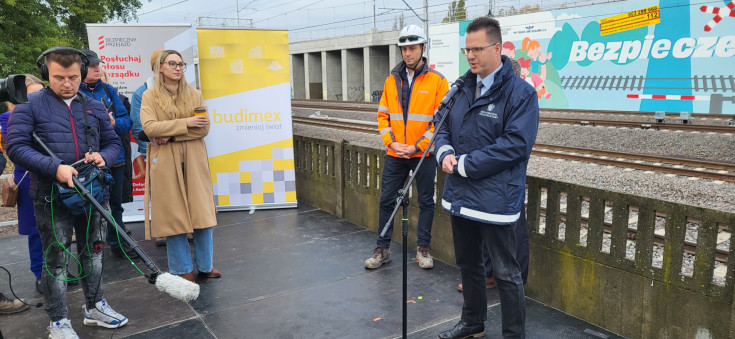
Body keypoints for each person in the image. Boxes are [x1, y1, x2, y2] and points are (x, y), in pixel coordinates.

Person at [7, 47, 126, 338]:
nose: (67, 83)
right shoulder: (29, 104)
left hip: (93, 191)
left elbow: (114, 143)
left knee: (94, 254)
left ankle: (95, 306)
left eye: (73, 76)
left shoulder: (94, 105)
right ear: (46, 72)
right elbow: (16, 147)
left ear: (82, 73)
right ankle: (58, 321)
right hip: (50, 195)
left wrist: (104, 157)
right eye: (58, 77)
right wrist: (54, 166)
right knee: (56, 260)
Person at [434, 17, 539, 339]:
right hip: (461, 196)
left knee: (507, 273)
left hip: (495, 200)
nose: (471, 56)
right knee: (469, 265)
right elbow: (441, 123)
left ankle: (513, 334)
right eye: (467, 50)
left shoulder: (520, 94)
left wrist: (464, 164)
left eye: (477, 49)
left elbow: (515, 145)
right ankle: (472, 323)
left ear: (497, 48)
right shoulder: (461, 87)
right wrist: (444, 151)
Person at [364, 25, 449, 270]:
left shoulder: (437, 81)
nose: (408, 53)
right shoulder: (391, 80)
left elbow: (440, 122)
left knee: (425, 201)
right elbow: (383, 116)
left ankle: (423, 248)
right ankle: (382, 248)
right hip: (395, 152)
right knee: (386, 200)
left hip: (422, 154)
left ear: (423, 48)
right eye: (404, 48)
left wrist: (416, 147)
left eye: (412, 48)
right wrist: (392, 143)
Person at [139, 50, 219, 282]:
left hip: (194, 159)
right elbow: (150, 128)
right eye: (172, 63)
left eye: (181, 64)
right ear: (160, 67)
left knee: (202, 214)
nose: (178, 68)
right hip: (165, 162)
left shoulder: (194, 94)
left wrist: (171, 134)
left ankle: (206, 265)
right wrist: (187, 123)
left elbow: (203, 129)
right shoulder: (149, 96)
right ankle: (182, 268)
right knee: (173, 216)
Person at [456, 59, 529, 293]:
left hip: (505, 181)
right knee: (503, 231)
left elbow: (513, 145)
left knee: (510, 232)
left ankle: (505, 277)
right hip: (496, 179)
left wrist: (472, 163)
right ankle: (497, 275)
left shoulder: (520, 97)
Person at [77, 49, 137, 260]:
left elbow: (127, 123)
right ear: (81, 68)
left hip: (115, 159)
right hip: (86, 162)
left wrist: (112, 122)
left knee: (115, 207)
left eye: (98, 65)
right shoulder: (72, 93)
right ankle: (88, 251)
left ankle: (119, 245)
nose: (97, 68)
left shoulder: (110, 91)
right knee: (86, 209)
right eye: (93, 66)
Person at [0, 74, 46, 294]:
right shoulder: (8, 117)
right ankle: (40, 273)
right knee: (36, 229)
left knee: (58, 227)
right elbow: (17, 148)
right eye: (32, 95)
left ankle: (59, 268)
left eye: (41, 93)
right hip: (28, 178)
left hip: (52, 175)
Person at [130, 49, 165, 246]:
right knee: (159, 192)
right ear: (155, 68)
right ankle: (161, 230)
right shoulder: (141, 92)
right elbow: (138, 126)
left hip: (180, 151)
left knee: (183, 191)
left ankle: (186, 228)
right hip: (155, 151)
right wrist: (149, 152)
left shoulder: (182, 90)